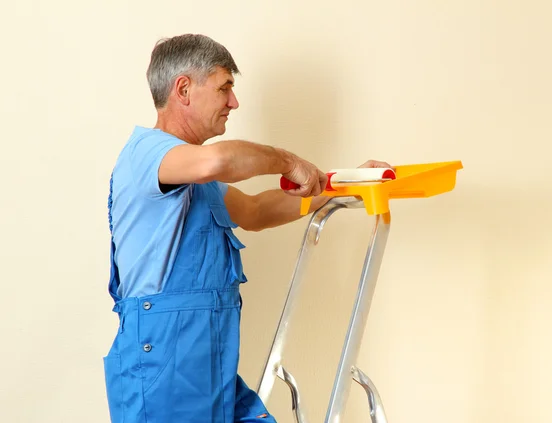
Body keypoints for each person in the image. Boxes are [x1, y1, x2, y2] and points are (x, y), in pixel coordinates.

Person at [103, 33, 390, 423]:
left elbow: (256, 210)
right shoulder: (148, 153)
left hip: (207, 364)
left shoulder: (197, 180)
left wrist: (345, 182)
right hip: (164, 366)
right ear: (183, 89)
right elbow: (217, 161)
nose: (233, 102)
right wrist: (287, 161)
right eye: (225, 88)